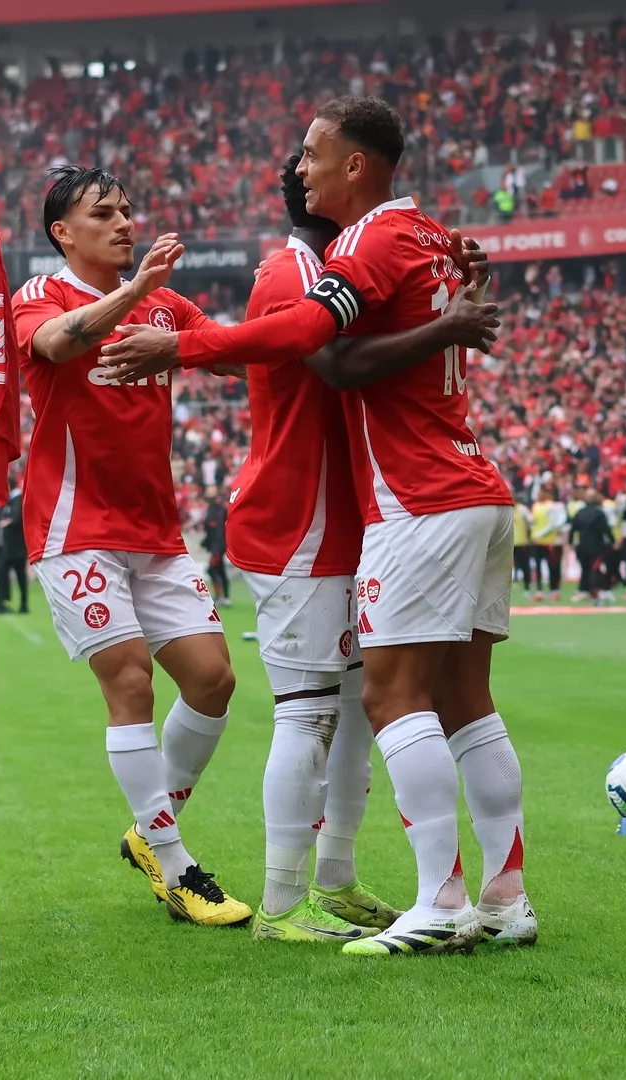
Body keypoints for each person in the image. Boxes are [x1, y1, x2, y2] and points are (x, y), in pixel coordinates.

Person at [102, 97, 534, 955]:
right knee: (413, 702)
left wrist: (180, 346)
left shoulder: (365, 245)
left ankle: (435, 903)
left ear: (353, 168)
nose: (299, 167)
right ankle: (426, 895)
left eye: (311, 153)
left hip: (415, 499)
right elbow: (318, 342)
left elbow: (322, 349)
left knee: (386, 699)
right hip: (395, 499)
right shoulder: (424, 239)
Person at [224, 152, 496, 944]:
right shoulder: (290, 275)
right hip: (295, 519)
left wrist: (449, 271)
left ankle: (335, 879)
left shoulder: (339, 266)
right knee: (306, 712)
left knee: (351, 713)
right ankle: (280, 903)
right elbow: (337, 367)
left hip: (355, 519)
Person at [12, 165, 249, 926]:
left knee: (213, 681)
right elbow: (54, 345)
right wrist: (133, 291)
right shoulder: (39, 295)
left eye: (126, 211)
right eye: (103, 213)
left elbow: (239, 351)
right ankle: (176, 865)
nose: (123, 222)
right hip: (75, 530)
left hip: (157, 531)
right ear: (62, 232)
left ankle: (151, 827)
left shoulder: (166, 304)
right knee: (131, 683)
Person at [569, 484, 613, 604]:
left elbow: (573, 529)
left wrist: (571, 542)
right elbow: (606, 529)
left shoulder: (580, 513)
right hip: (596, 546)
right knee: (594, 569)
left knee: (585, 569)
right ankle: (594, 592)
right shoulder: (599, 513)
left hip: (582, 546)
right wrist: (612, 541)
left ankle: (584, 590)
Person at [0, 488, 29, 615]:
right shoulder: (13, 501)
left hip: (15, 547)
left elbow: (17, 517)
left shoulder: (17, 500)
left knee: (12, 573)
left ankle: (6, 603)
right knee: (15, 574)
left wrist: (7, 522)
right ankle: (6, 603)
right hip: (12, 547)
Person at [531, 486, 567, 600]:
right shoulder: (536, 506)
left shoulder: (554, 506)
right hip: (539, 542)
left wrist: (538, 534)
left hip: (551, 542)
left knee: (554, 567)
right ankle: (539, 591)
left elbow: (554, 524)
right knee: (538, 567)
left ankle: (554, 590)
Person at [201, 487, 232, 609]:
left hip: (218, 547)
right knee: (220, 571)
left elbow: (219, 530)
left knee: (212, 570)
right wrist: (205, 543)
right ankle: (225, 598)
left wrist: (218, 548)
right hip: (215, 546)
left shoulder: (221, 510)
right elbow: (210, 531)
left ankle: (219, 597)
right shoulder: (211, 509)